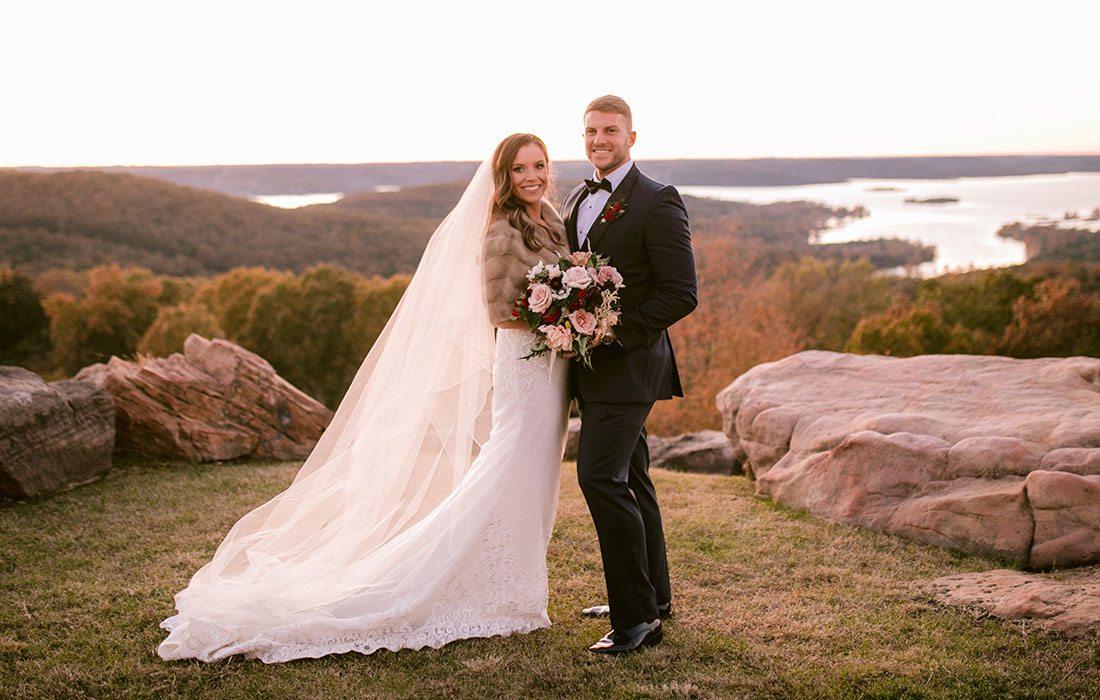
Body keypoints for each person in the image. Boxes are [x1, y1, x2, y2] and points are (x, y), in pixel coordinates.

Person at [157, 133, 570, 663]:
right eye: (519, 169)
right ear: (504, 177)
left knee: (535, 476)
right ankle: (449, 580)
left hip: (553, 367)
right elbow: (500, 309)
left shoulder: (551, 219)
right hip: (525, 360)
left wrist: (573, 313)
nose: (532, 176)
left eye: (539, 165)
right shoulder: (500, 229)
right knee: (507, 466)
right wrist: (559, 315)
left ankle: (516, 589)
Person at [560, 95, 697, 655]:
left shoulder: (657, 200)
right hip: (592, 372)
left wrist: (619, 332)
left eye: (610, 131)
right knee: (633, 479)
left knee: (599, 478)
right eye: (591, 131)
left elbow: (680, 293)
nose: (599, 140)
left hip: (632, 367)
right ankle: (652, 596)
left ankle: (637, 619)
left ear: (631, 137)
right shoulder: (576, 196)